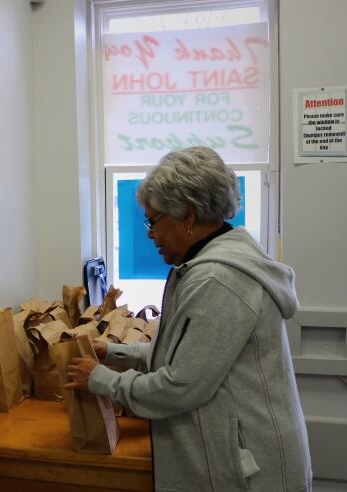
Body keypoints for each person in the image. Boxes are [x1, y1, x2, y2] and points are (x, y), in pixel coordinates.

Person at [65, 146, 312, 491]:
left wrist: (103, 380)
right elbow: (186, 356)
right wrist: (115, 353)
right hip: (238, 458)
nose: (150, 232)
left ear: (189, 216)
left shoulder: (219, 279)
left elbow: (180, 387)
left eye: (154, 219)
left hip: (249, 471)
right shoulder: (210, 266)